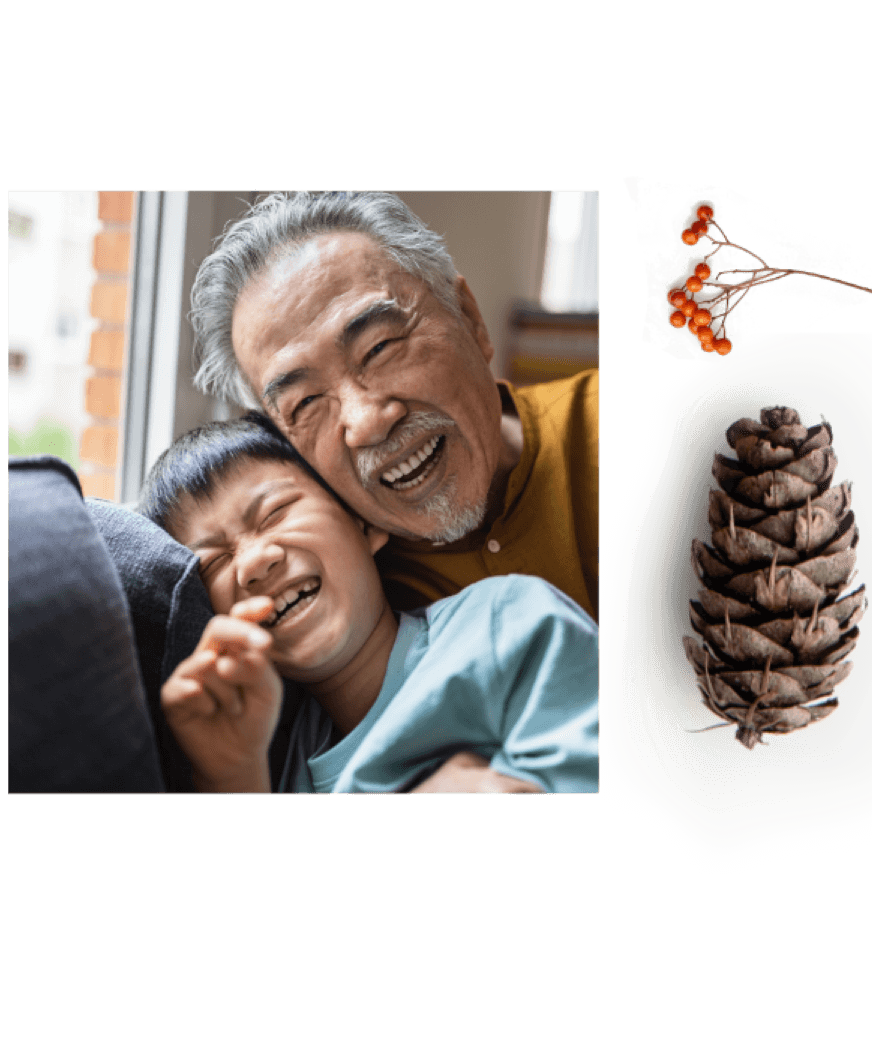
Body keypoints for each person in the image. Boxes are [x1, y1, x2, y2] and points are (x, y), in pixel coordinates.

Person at [189, 190, 599, 623]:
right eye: (305, 402)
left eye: (379, 347)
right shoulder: (328, 598)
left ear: (469, 318)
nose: (366, 423)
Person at [137, 417, 599, 794]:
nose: (254, 563)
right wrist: (231, 777)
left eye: (275, 512)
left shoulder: (505, 624)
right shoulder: (270, 761)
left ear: (365, 520)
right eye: (214, 563)